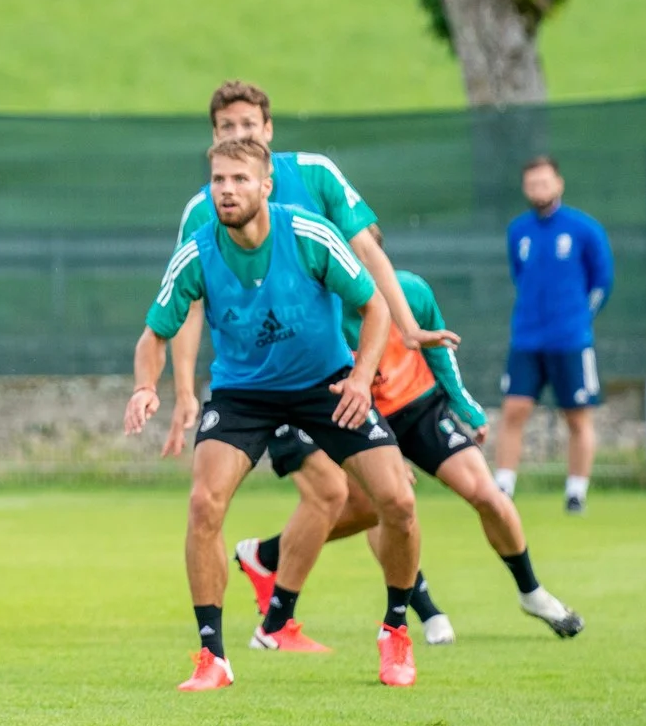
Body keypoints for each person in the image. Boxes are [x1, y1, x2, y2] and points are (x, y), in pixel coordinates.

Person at [130, 80, 456, 653]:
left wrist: (395, 340)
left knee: (384, 501)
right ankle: (229, 644)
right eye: (225, 135)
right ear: (212, 147)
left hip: (323, 380)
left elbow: (369, 260)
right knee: (303, 496)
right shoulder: (201, 224)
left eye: (247, 129)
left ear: (268, 141)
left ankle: (295, 594)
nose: (230, 177)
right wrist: (171, 390)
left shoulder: (312, 194)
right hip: (248, 388)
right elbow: (182, 310)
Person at [233, 227, 584, 645]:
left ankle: (532, 592)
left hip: (418, 407)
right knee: (382, 503)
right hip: (356, 413)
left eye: (366, 256)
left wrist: (465, 406)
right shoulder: (320, 310)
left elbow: (437, 348)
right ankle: (425, 611)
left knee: (487, 494)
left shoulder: (411, 292)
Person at [493, 156, 613, 514]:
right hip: (527, 339)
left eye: (544, 183)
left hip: (570, 341)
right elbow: (519, 274)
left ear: (558, 183)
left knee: (577, 416)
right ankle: (502, 489)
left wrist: (579, 319)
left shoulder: (584, 228)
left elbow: (602, 280)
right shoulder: (518, 231)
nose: (538, 190)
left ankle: (576, 493)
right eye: (532, 184)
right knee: (514, 409)